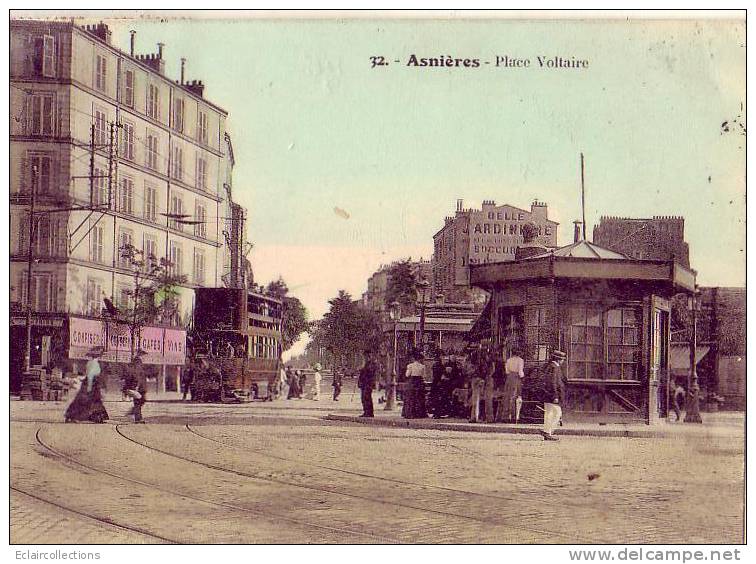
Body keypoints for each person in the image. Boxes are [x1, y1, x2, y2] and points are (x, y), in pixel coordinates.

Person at [65, 347, 109, 423]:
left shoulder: (93, 363)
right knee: (85, 400)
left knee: (94, 401)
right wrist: (89, 386)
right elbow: (90, 375)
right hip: (91, 383)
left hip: (93, 384)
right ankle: (73, 417)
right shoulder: (93, 363)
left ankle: (97, 418)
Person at [539, 350, 567, 441]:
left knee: (549, 413)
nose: (563, 361)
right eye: (562, 359)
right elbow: (552, 382)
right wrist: (555, 395)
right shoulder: (554, 367)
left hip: (547, 394)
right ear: (559, 359)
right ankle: (548, 432)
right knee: (557, 413)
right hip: (552, 394)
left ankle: (547, 431)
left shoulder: (551, 366)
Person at [501, 347, 526, 423]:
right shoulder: (520, 360)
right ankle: (514, 416)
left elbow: (507, 371)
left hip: (509, 378)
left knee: (508, 397)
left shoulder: (508, 360)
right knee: (516, 396)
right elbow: (520, 372)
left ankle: (506, 416)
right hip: (516, 378)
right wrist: (522, 377)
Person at [123, 351, 148, 423]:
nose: (145, 357)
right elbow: (137, 375)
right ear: (141, 355)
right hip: (139, 386)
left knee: (140, 401)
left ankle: (134, 413)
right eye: (144, 355)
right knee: (138, 402)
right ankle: (138, 418)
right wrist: (136, 386)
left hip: (140, 385)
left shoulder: (138, 362)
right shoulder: (138, 363)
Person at [402, 350, 428, 419]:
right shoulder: (423, 366)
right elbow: (424, 376)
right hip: (419, 382)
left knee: (411, 397)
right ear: (420, 359)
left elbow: (407, 375)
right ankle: (419, 414)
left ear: (414, 358)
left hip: (412, 382)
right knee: (419, 397)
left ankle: (410, 413)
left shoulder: (410, 366)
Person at [358, 352, 378, 417]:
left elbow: (370, 373)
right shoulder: (367, 364)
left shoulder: (371, 364)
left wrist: (362, 370)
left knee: (366, 398)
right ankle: (366, 412)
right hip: (364, 383)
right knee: (364, 398)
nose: (364, 358)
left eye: (365, 357)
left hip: (368, 383)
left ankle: (369, 412)